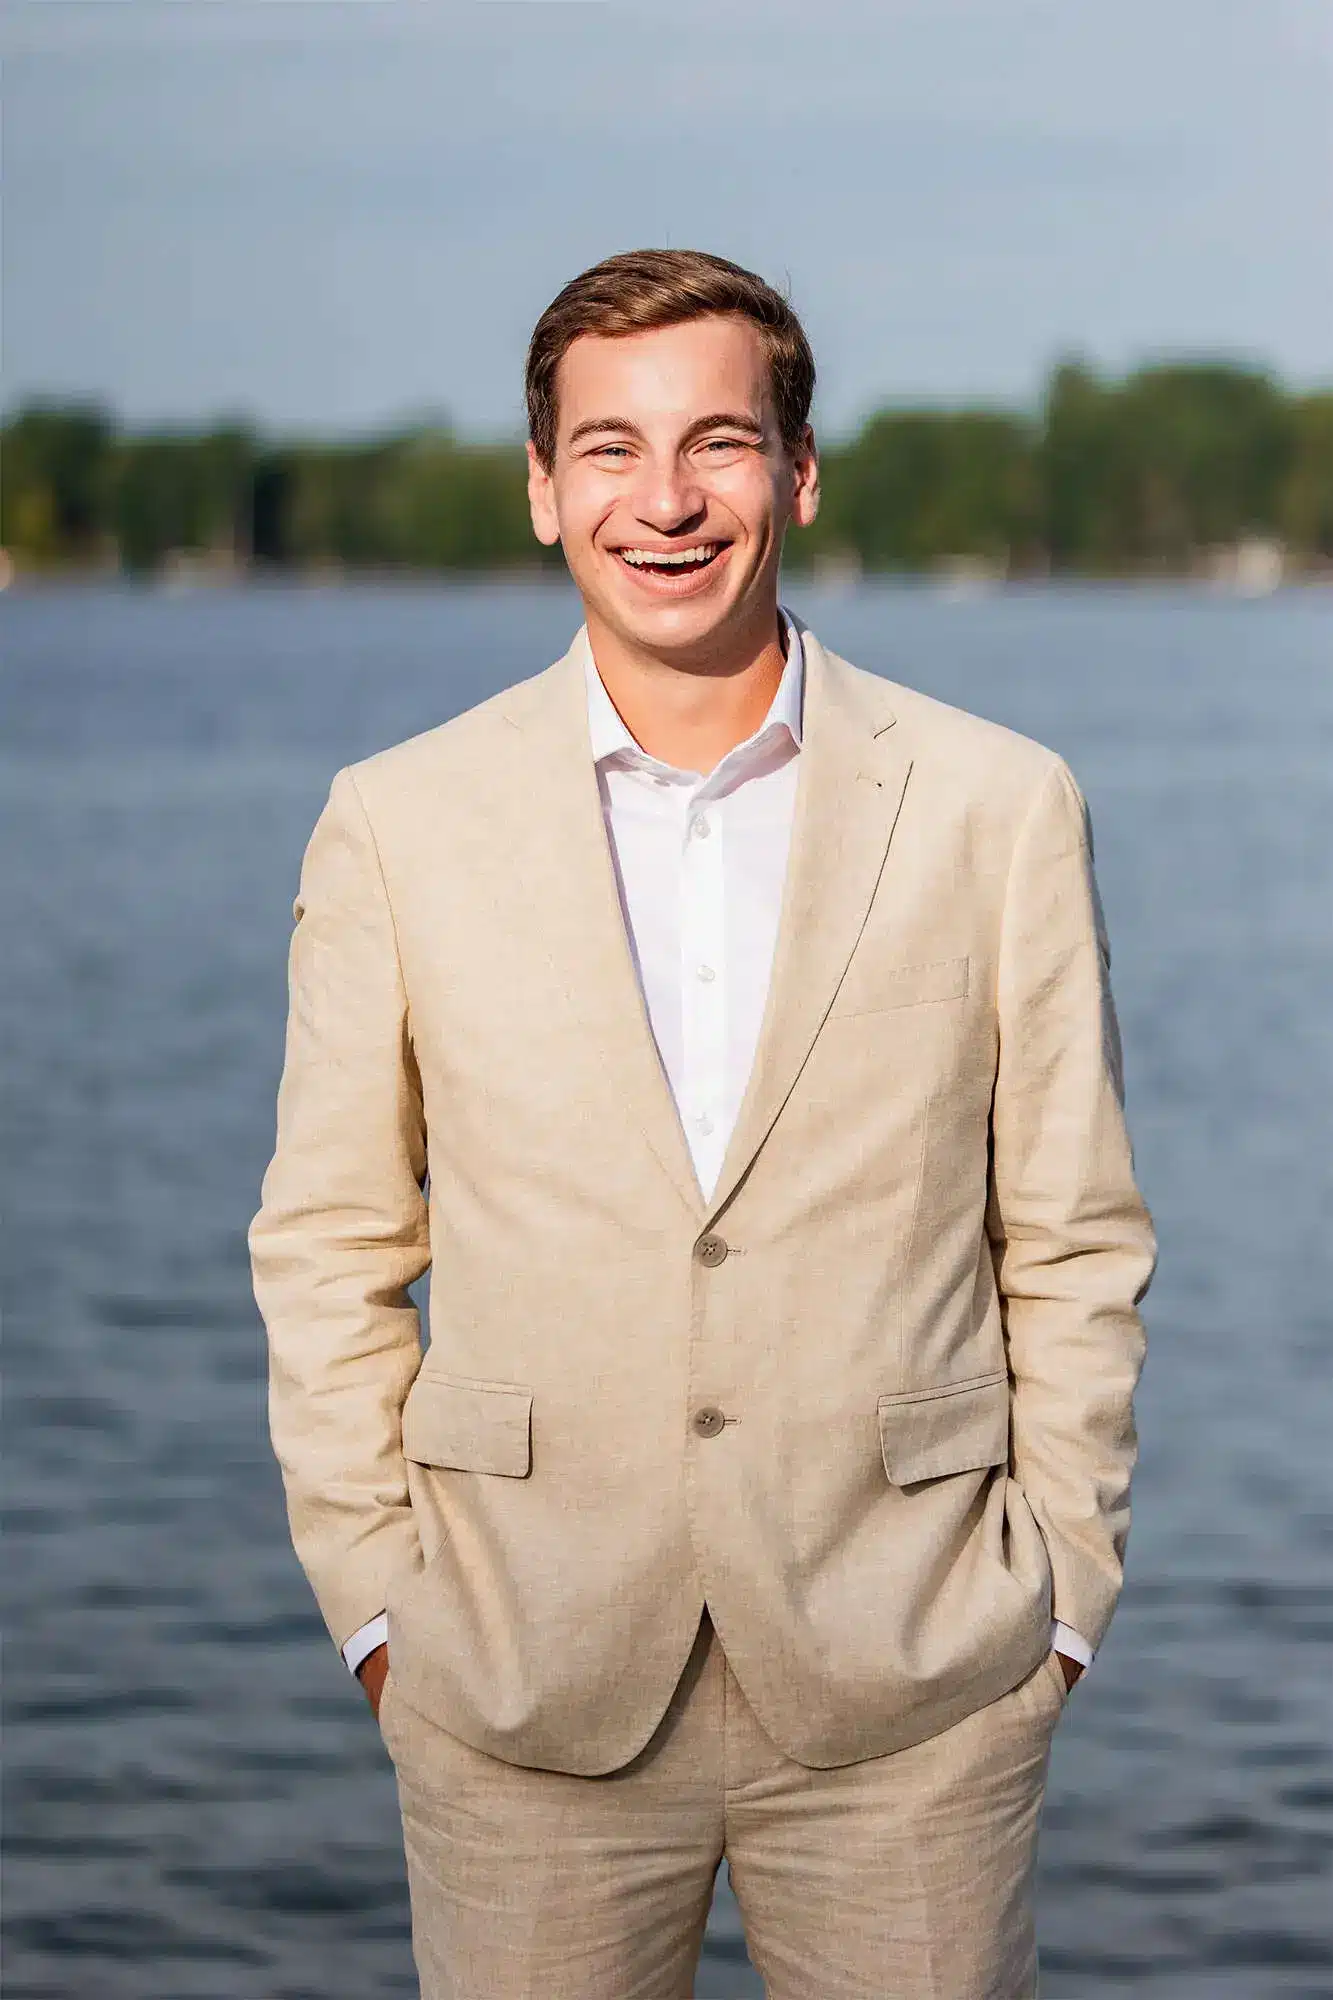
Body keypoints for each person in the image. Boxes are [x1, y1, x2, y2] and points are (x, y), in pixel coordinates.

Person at [250, 248, 1156, 1999]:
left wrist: (1056, 1606)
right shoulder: (396, 824)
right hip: (517, 1682)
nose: (663, 501)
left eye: (717, 442)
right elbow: (329, 1248)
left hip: (919, 1685)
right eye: (609, 448)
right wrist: (380, 1611)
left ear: (798, 473)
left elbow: (1072, 1234)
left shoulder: (997, 807)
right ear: (541, 486)